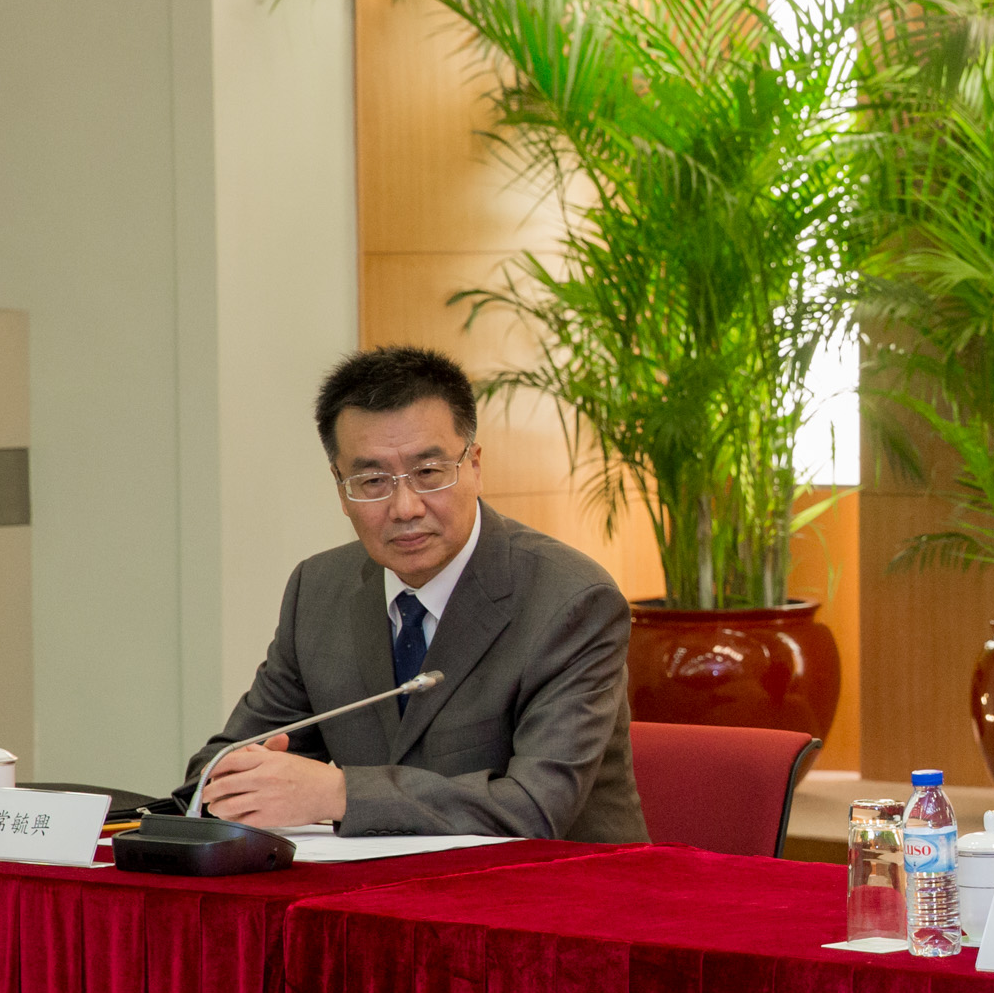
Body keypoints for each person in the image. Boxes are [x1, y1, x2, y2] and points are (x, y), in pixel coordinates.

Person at [182, 345, 649, 842]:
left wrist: (340, 794)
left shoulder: (572, 600)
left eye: (428, 474)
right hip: (378, 885)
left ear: (474, 466)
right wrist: (235, 779)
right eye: (372, 481)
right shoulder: (318, 590)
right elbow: (217, 768)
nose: (405, 508)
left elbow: (535, 809)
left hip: (561, 883)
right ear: (341, 489)